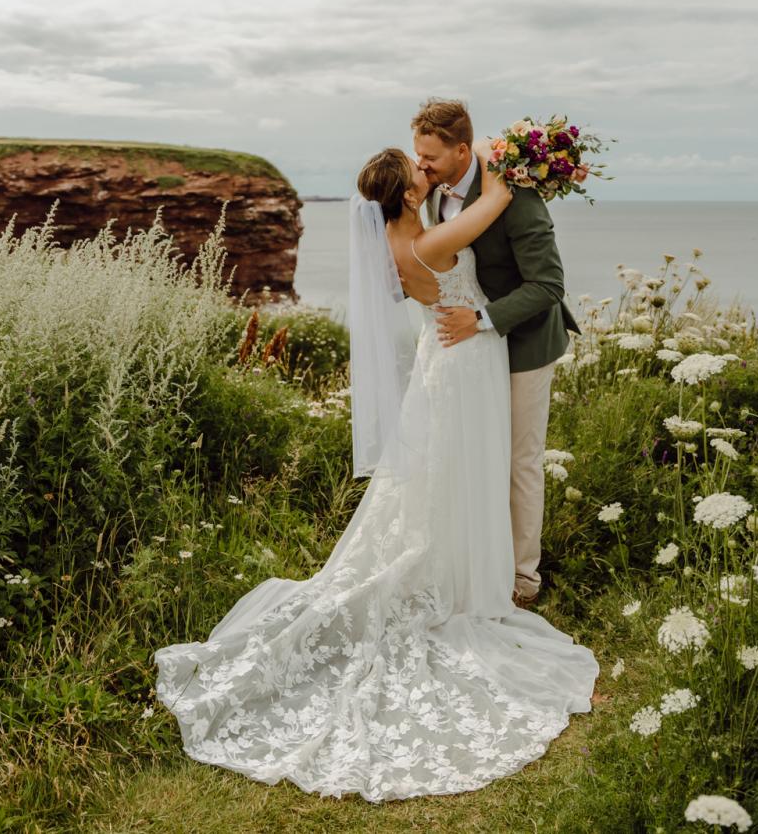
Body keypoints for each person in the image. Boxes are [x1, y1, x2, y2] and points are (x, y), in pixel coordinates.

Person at [151, 140, 597, 803]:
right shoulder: (433, 240)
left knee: (442, 480)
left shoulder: (398, 239)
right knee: (464, 474)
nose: (427, 170)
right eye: (418, 169)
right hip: (464, 363)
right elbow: (499, 195)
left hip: (441, 361)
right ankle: (471, 580)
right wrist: (519, 153)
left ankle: (465, 564)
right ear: (409, 193)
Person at [411, 98, 579, 609]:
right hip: (471, 354)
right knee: (477, 455)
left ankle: (523, 579)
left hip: (523, 343)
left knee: (518, 463)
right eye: (418, 155)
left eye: (430, 158)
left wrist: (482, 320)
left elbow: (549, 285)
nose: (421, 165)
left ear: (462, 152)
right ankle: (480, 560)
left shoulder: (515, 196)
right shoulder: (434, 190)